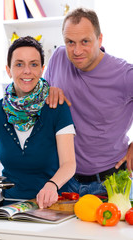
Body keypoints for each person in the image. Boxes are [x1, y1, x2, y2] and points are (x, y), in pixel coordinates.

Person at [0, 36, 76, 208]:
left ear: (42, 69)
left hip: (50, 203)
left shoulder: (57, 107)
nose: (27, 71)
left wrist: (52, 185)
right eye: (19, 64)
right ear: (9, 69)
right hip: (8, 204)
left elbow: (69, 164)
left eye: (33, 64)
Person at [44, 8, 133, 196]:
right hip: (64, 181)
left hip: (110, 183)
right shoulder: (58, 58)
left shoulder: (124, 75)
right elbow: (41, 105)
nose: (77, 51)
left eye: (85, 41)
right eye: (70, 42)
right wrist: (47, 92)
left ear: (100, 39)